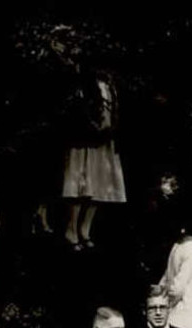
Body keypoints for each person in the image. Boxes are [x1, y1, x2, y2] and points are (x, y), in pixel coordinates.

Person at [62, 70, 126, 249]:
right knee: (79, 185)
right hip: (85, 138)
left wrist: (110, 129)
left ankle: (85, 229)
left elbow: (114, 111)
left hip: (104, 139)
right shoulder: (82, 83)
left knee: (99, 185)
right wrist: (93, 127)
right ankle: (71, 229)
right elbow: (79, 111)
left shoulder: (111, 84)